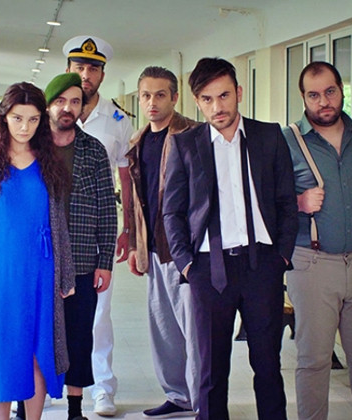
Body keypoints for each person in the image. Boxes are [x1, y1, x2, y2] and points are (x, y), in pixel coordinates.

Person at [163, 57, 298, 420]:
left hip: (263, 265)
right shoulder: (185, 145)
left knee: (268, 365)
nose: (217, 107)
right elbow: (172, 211)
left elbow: (287, 201)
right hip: (208, 269)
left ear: (239, 92)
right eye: (207, 99)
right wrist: (187, 265)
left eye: (224, 96)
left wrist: (281, 257)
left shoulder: (269, 136)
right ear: (197, 102)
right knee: (211, 370)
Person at [0, 82, 76, 420]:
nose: (25, 127)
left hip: (43, 267)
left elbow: (60, 224)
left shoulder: (50, 162)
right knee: (1, 348)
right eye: (17, 118)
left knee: (40, 350)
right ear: (4, 117)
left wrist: (66, 273)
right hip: (0, 269)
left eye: (32, 119)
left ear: (42, 120)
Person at [282, 61, 352, 420]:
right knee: (314, 360)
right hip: (312, 265)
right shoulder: (287, 141)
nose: (323, 101)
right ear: (303, 98)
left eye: (330, 92)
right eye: (314, 95)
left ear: (341, 90)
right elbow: (265, 202)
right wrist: (298, 202)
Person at [62, 35, 133, 417]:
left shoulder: (118, 119)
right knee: (51, 315)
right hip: (54, 232)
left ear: (103, 74)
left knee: (98, 315)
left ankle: (102, 389)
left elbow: (126, 176)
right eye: (79, 67)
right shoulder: (50, 112)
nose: (85, 75)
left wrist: (128, 227)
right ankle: (49, 385)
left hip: (95, 231)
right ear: (68, 69)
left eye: (93, 68)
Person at [125, 66, 199, 418]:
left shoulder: (194, 135)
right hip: (154, 248)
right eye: (146, 95)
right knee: (164, 329)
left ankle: (203, 399)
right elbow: (136, 200)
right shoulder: (138, 142)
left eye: (159, 95)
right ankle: (178, 396)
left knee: (194, 331)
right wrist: (136, 245)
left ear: (174, 97)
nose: (152, 102)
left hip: (186, 252)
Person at [44, 72, 117, 420]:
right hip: (40, 259)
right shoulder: (32, 147)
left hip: (84, 258)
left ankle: (75, 409)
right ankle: (27, 403)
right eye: (60, 101)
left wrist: (106, 262)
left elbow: (107, 208)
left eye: (75, 102)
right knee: (37, 333)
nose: (67, 108)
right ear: (48, 105)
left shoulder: (94, 150)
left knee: (78, 335)